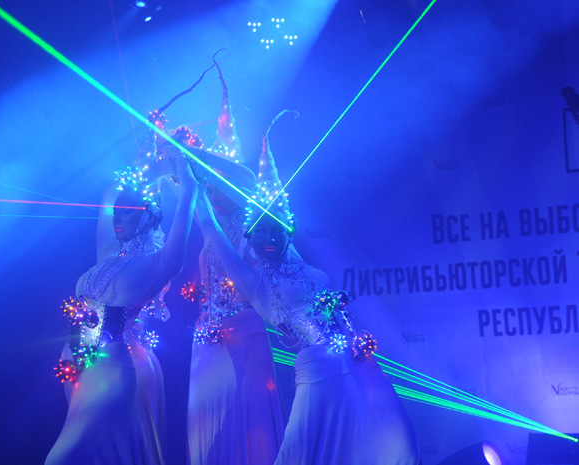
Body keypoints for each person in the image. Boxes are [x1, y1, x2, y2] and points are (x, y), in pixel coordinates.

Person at [193, 118, 420, 465]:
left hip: (356, 364)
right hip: (316, 372)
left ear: (289, 231)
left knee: (390, 443)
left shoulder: (310, 270)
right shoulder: (254, 280)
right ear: (249, 237)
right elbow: (210, 226)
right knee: (300, 452)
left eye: (276, 230)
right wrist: (194, 182)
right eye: (260, 231)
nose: (269, 237)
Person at [45, 138, 198, 465]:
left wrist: (177, 165)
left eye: (128, 212)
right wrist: (146, 164)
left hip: (112, 368)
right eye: (118, 212)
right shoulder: (110, 254)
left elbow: (188, 195)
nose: (118, 217)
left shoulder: (160, 261)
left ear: (150, 217)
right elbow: (109, 195)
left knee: (63, 459)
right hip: (75, 366)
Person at [184, 61, 286, 465]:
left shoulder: (253, 225)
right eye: (208, 185)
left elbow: (243, 175)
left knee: (249, 429)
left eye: (217, 184)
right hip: (205, 341)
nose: (212, 191)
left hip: (244, 336)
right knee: (207, 435)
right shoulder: (207, 223)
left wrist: (195, 153)